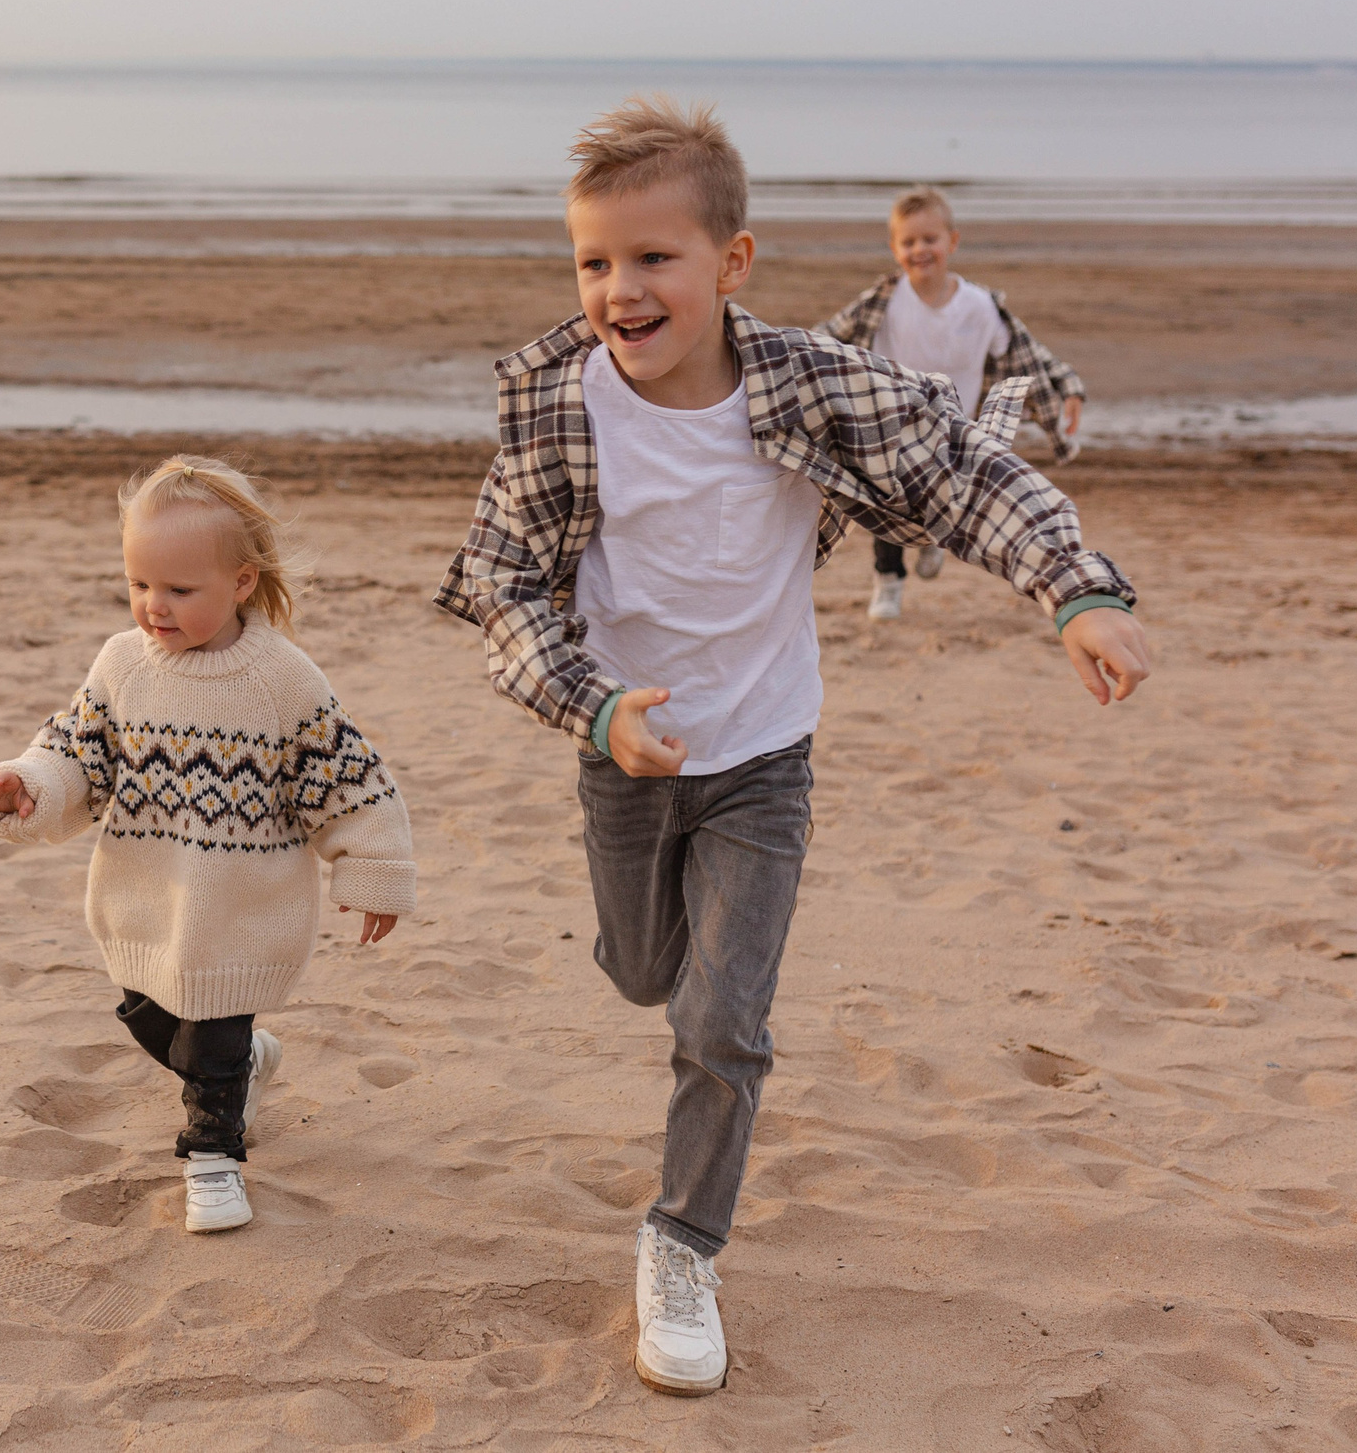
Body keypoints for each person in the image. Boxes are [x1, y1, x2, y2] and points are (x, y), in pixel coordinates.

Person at [433, 98, 1150, 1397]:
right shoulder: (558, 406)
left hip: (765, 758)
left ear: (732, 262)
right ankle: (652, 948)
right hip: (626, 752)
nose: (620, 288)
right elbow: (500, 584)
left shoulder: (814, 385)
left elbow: (960, 469)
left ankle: (681, 1239)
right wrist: (593, 706)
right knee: (646, 970)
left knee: (724, 1017)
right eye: (595, 260)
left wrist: (1076, 592)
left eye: (653, 257)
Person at [0, 454, 416, 1234]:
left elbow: (350, 778)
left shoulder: (281, 678)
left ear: (242, 582)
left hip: (241, 909)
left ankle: (214, 1155)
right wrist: (26, 783)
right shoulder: (121, 666)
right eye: (140, 584)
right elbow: (75, 753)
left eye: (179, 590)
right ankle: (244, 1066)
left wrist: (372, 869)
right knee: (148, 1016)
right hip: (146, 897)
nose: (153, 607)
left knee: (209, 1038)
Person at [820, 185, 1089, 619]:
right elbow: (825, 340)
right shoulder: (882, 302)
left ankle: (932, 541)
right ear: (894, 248)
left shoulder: (980, 306)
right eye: (908, 242)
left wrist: (1069, 386)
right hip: (894, 425)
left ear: (952, 242)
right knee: (883, 501)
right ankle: (888, 581)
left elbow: (1029, 354)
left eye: (930, 239)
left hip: (954, 429)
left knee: (943, 503)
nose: (920, 250)